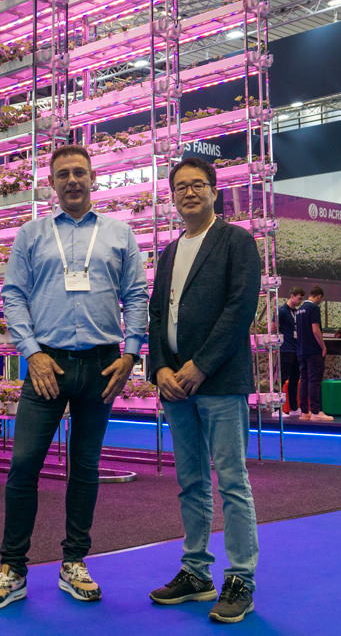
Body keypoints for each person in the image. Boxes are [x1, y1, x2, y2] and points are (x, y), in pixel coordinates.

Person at [0, 145, 147, 611]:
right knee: (24, 465)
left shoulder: (119, 234)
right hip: (46, 364)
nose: (72, 180)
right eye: (63, 174)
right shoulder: (32, 234)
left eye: (80, 172)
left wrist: (131, 354)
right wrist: (31, 353)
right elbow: (13, 295)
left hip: (102, 365)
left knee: (85, 466)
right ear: (51, 183)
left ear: (93, 178)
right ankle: (12, 568)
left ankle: (75, 561)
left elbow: (136, 295)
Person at [147, 157, 261, 624]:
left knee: (232, 481)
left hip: (219, 381)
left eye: (198, 185)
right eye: (181, 186)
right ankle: (196, 571)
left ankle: (241, 579)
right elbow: (157, 315)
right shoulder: (169, 252)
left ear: (215, 191)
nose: (189, 192)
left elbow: (240, 309)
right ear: (172, 196)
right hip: (176, 385)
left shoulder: (236, 241)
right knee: (190, 482)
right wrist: (159, 368)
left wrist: (201, 365)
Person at [295, 287, 332, 422]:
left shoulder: (299, 309)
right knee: (315, 381)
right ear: (319, 296)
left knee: (304, 380)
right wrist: (323, 346)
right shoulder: (314, 308)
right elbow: (315, 330)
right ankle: (316, 411)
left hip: (301, 350)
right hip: (313, 350)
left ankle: (305, 412)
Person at [270, 287, 305, 419]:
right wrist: (276, 345)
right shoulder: (282, 311)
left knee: (294, 379)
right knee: (281, 379)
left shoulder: (296, 312)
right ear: (292, 296)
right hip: (285, 349)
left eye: (302, 299)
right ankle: (276, 409)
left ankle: (294, 408)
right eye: (299, 298)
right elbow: (274, 328)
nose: (300, 302)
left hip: (296, 349)